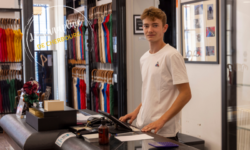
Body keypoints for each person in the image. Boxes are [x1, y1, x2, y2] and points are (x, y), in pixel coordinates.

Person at [119, 7, 192, 140]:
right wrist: (136, 112)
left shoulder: (172, 55)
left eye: (155, 25)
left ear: (164, 28)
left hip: (164, 132)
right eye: (146, 26)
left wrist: (161, 120)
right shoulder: (144, 58)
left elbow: (186, 94)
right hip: (144, 128)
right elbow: (151, 92)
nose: (150, 30)